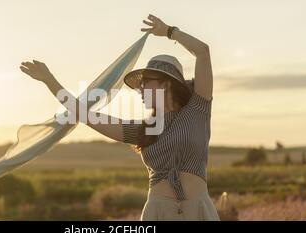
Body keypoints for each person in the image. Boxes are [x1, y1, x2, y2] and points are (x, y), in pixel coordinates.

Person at [20, 14, 219, 221]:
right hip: (158, 212)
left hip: (198, 211)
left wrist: (169, 31)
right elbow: (85, 115)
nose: (140, 88)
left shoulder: (198, 110)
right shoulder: (143, 129)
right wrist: (50, 81)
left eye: (146, 82)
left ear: (166, 83)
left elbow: (203, 52)